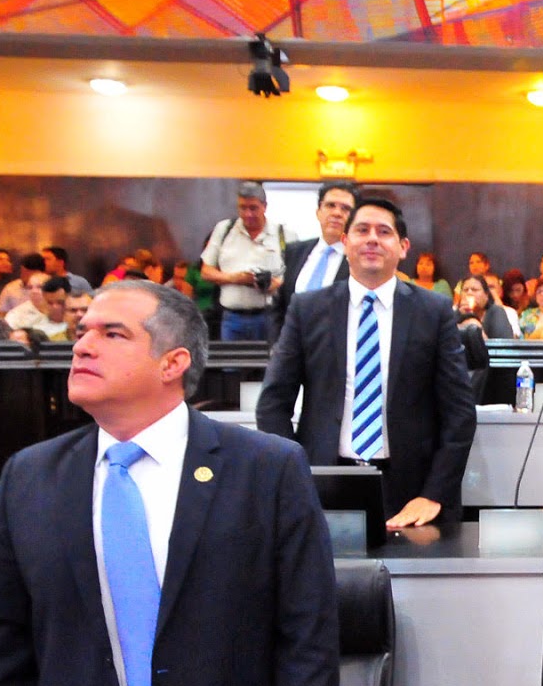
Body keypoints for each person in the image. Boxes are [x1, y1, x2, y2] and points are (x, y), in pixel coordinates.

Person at [0, 280, 339, 686]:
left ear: (173, 363)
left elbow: (308, 633)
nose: (82, 346)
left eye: (112, 334)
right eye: (83, 331)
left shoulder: (266, 468)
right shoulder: (30, 476)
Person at [257, 197, 476, 528]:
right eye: (362, 230)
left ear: (403, 247)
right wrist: (294, 475)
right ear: (345, 242)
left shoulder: (434, 312)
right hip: (321, 481)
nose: (372, 239)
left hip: (412, 490)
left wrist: (434, 493)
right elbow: (273, 403)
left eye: (384, 232)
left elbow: (459, 413)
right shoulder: (308, 309)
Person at [200, 180, 285, 341]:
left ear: (264, 206)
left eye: (253, 208)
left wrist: (275, 284)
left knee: (272, 358)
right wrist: (236, 278)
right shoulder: (224, 229)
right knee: (231, 358)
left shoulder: (282, 233)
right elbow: (206, 272)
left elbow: (295, 275)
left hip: (270, 316)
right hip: (232, 318)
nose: (248, 214)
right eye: (243, 208)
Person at [276, 180, 358, 331]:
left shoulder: (359, 261)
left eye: (345, 208)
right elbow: (279, 306)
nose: (337, 213)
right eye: (330, 205)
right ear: (318, 212)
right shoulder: (295, 251)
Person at [457, 274, 516, 340]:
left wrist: (475, 324)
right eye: (465, 290)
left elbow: (502, 344)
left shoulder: (496, 312)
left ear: (486, 295)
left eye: (474, 290)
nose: (469, 293)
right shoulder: (455, 313)